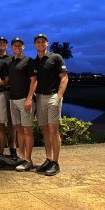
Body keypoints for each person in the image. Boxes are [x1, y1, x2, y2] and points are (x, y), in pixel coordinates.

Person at [34, 33, 68, 176]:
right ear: (35, 45)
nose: (40, 44)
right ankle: (48, 159)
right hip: (40, 97)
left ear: (47, 43)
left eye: (43, 41)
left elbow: (64, 78)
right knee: (46, 130)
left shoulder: (55, 58)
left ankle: (55, 162)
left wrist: (59, 97)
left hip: (53, 96)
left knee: (54, 131)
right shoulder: (35, 61)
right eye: (38, 42)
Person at [8, 37, 37, 171]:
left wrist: (29, 98)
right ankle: (22, 156)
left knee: (27, 130)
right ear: (11, 48)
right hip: (13, 99)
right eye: (15, 46)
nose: (17, 47)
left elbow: (34, 80)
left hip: (24, 100)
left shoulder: (28, 61)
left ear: (23, 47)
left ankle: (28, 160)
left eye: (19, 45)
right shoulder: (11, 63)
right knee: (18, 129)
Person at [0, 36, 18, 160]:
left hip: (9, 92)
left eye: (4, 43)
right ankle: (0, 150)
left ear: (7, 45)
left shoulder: (11, 58)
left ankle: (13, 148)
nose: (2, 44)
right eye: (0, 43)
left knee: (11, 122)